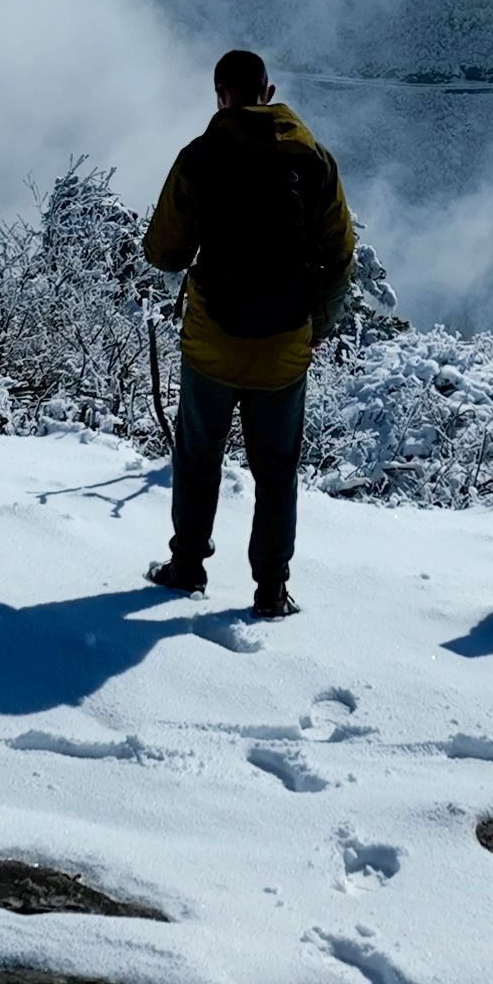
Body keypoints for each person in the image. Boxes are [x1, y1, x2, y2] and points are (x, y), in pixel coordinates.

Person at [140, 47, 352, 619]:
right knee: (277, 469)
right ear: (269, 92)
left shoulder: (200, 157)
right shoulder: (313, 160)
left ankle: (187, 567)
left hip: (213, 340)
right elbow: (341, 256)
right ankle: (270, 590)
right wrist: (317, 328)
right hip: (285, 347)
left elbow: (164, 252)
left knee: (198, 455)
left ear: (220, 96)